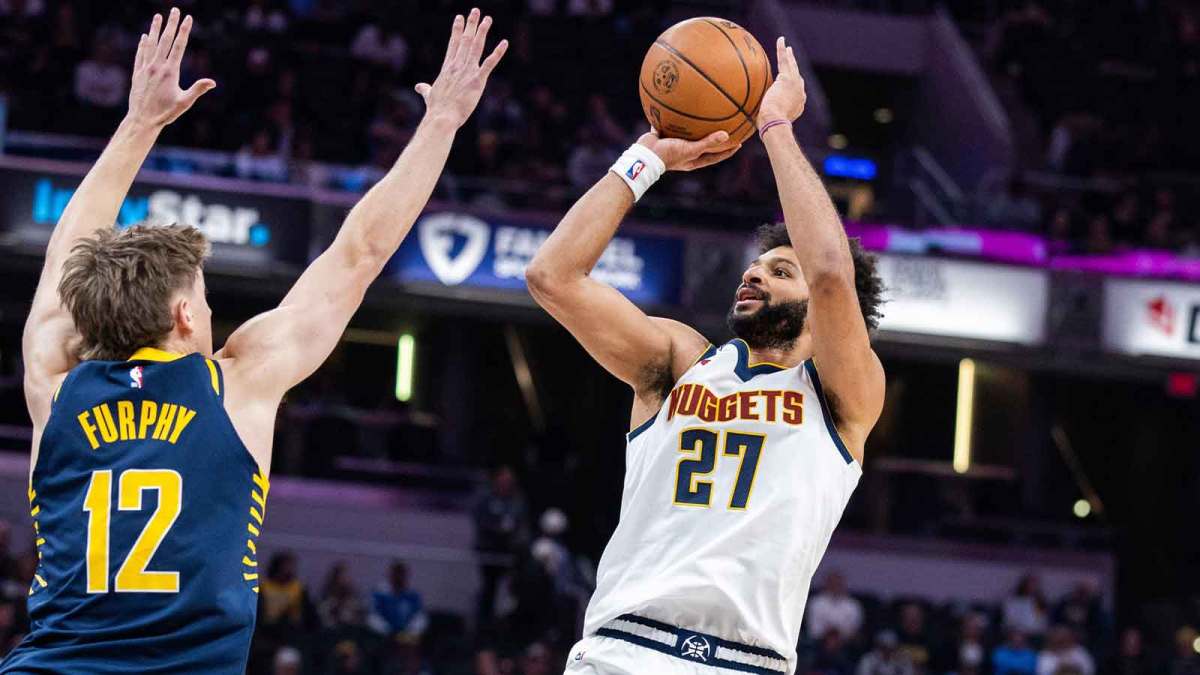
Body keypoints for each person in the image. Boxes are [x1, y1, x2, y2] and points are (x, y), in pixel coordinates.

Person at [0, 8, 507, 673]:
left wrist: (138, 125)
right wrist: (442, 121)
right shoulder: (237, 383)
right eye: (206, 295)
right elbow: (360, 252)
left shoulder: (55, 388)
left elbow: (62, 263)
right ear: (184, 314)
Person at [529, 37, 885, 675]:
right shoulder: (680, 360)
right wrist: (645, 161)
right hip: (621, 650)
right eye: (755, 267)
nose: (754, 277)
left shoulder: (842, 396)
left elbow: (832, 273)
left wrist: (775, 125)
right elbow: (552, 276)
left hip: (744, 662)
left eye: (779, 271)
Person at [807, 572, 864, 643]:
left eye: (838, 584)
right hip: (819, 642)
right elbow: (814, 629)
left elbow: (854, 629)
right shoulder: (815, 602)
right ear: (826, 584)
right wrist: (830, 635)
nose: (835, 587)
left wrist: (838, 634)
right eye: (832, 583)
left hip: (845, 643)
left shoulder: (853, 605)